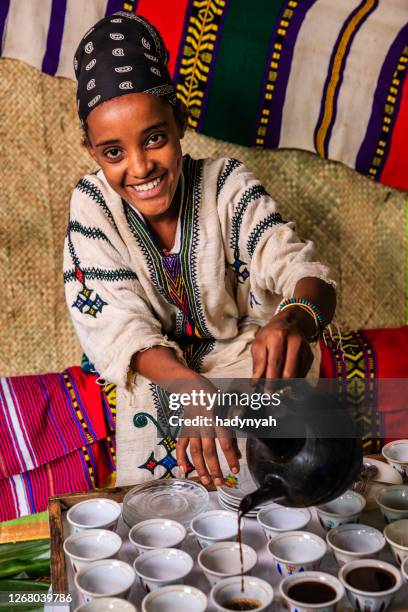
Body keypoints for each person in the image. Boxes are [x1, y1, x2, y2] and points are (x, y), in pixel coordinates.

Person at [64, 11, 336, 488]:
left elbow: (301, 270)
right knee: (160, 489)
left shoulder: (227, 185)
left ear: (180, 123)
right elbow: (119, 329)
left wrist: (295, 318)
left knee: (287, 403)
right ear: (91, 150)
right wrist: (190, 388)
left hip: (242, 362)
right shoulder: (93, 206)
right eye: (113, 152)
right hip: (155, 375)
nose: (140, 166)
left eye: (154, 138)